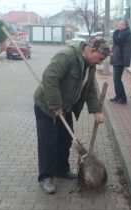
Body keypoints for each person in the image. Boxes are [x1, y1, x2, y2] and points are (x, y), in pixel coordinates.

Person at [33, 37, 110, 194]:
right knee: (48, 142)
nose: (100, 63)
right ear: (92, 50)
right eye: (100, 59)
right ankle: (46, 177)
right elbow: (49, 77)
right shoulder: (67, 56)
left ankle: (61, 170)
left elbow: (90, 89)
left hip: (65, 107)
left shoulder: (90, 65)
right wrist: (55, 105)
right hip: (47, 107)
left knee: (65, 140)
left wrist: (96, 110)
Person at [110, 19, 131, 104]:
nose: (118, 25)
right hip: (117, 59)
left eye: (120, 24)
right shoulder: (121, 33)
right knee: (116, 80)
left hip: (121, 60)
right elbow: (116, 44)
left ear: (125, 26)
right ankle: (118, 96)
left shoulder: (126, 34)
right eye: (118, 24)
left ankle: (122, 98)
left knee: (117, 79)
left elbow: (117, 41)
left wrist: (115, 32)